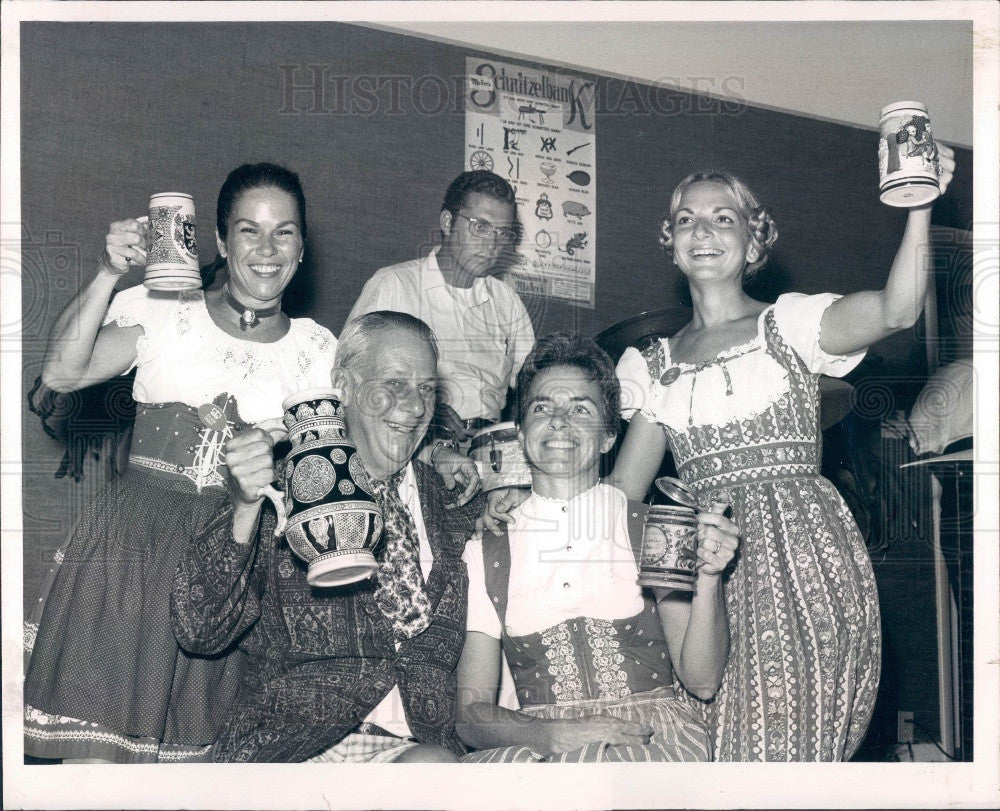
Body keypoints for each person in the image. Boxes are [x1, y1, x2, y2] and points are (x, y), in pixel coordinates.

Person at [23, 164, 474, 764]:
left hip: (238, 571)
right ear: (219, 241)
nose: (267, 250)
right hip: (137, 549)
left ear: (302, 247)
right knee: (97, 769)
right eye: (249, 231)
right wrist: (110, 272)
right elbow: (61, 372)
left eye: (284, 233)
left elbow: (378, 417)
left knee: (193, 775)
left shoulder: (317, 350)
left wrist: (440, 449)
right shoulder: (162, 310)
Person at [613, 150, 956, 761]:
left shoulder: (793, 324)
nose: (704, 231)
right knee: (722, 745)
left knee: (797, 743)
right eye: (687, 220)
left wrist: (920, 207)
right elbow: (621, 496)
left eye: (723, 218)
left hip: (807, 562)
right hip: (707, 569)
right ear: (672, 244)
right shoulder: (651, 366)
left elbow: (898, 310)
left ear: (753, 241)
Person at [171, 311, 481, 763]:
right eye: (394, 384)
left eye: (427, 389)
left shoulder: (453, 502)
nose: (415, 407)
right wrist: (243, 505)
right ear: (344, 385)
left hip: (425, 749)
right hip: (293, 751)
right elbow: (200, 629)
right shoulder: (283, 489)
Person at [455, 334, 740, 762]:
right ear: (520, 432)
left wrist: (710, 578)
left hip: (647, 745)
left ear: (609, 437)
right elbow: (471, 716)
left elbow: (701, 680)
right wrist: (552, 735)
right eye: (541, 407)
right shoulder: (485, 551)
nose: (558, 421)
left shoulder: (653, 527)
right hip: (541, 750)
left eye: (580, 409)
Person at [345, 170, 535, 443]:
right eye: (480, 226)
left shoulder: (507, 302)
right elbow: (350, 377)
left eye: (503, 233)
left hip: (488, 452)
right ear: (448, 222)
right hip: (413, 444)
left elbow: (533, 385)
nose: (492, 244)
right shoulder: (395, 284)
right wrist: (428, 412)